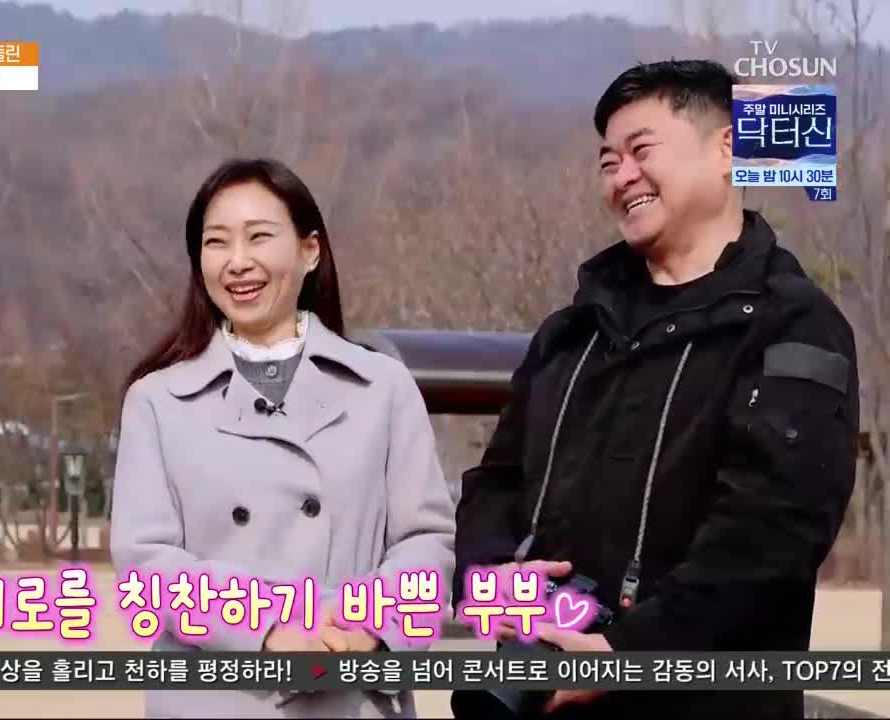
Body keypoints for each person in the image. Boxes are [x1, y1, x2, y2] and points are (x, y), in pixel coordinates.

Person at [451, 59, 860, 720]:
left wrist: (629, 651)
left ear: (727, 149)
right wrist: (489, 573)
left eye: (641, 151)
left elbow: (772, 536)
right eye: (607, 162)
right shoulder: (572, 332)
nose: (621, 177)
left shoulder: (794, 326)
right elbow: (496, 481)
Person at [110, 157, 457, 718]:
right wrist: (268, 629)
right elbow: (146, 561)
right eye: (216, 242)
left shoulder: (382, 385)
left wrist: (371, 631)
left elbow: (426, 542)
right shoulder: (157, 400)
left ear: (309, 250)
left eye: (259, 237)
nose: (237, 261)